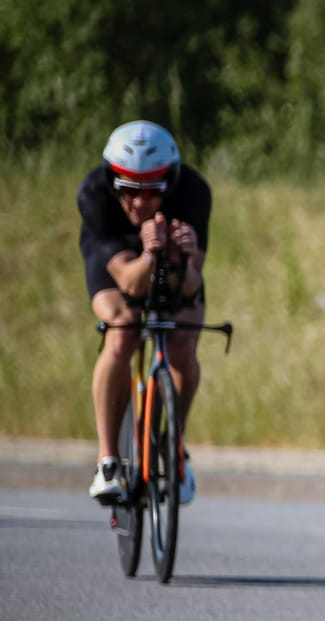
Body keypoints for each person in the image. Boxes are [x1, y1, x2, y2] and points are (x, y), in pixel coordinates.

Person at [79, 120, 211, 504]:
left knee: (184, 343)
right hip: (118, 260)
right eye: (130, 191)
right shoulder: (95, 195)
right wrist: (151, 253)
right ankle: (107, 460)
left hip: (171, 257)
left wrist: (184, 257)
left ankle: (174, 446)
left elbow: (191, 284)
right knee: (122, 334)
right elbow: (130, 284)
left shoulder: (193, 193)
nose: (140, 202)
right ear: (113, 182)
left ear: (169, 183)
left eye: (153, 191)